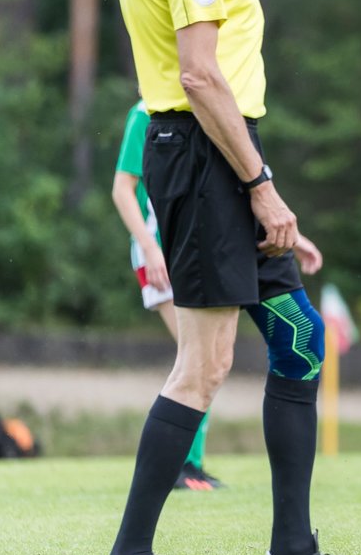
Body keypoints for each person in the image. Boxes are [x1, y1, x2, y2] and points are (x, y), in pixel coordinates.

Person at [97, 0, 361, 555]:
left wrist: (264, 191)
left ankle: (293, 551)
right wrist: (260, 188)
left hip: (221, 156)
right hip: (203, 157)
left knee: (298, 341)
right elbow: (198, 75)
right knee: (205, 364)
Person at [110, 97, 327, 491]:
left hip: (207, 243)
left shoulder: (219, 106)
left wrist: (293, 237)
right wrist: (149, 247)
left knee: (206, 362)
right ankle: (180, 467)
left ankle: (189, 464)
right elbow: (123, 189)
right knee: (198, 362)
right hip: (165, 252)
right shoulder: (149, 111)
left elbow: (244, 189)